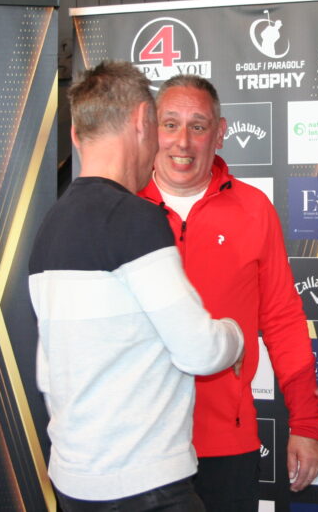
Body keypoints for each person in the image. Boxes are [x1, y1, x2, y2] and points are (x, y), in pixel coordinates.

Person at [29, 61, 244, 512]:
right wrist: (235, 335)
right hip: (145, 483)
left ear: (76, 135)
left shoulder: (51, 225)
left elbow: (49, 371)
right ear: (143, 120)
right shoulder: (135, 219)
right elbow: (200, 351)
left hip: (74, 482)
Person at [138, 75, 318, 511]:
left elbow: (283, 320)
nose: (183, 141)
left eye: (198, 126)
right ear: (150, 129)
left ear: (219, 134)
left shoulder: (253, 209)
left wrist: (306, 423)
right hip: (138, 444)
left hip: (227, 445)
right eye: (170, 124)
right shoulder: (123, 207)